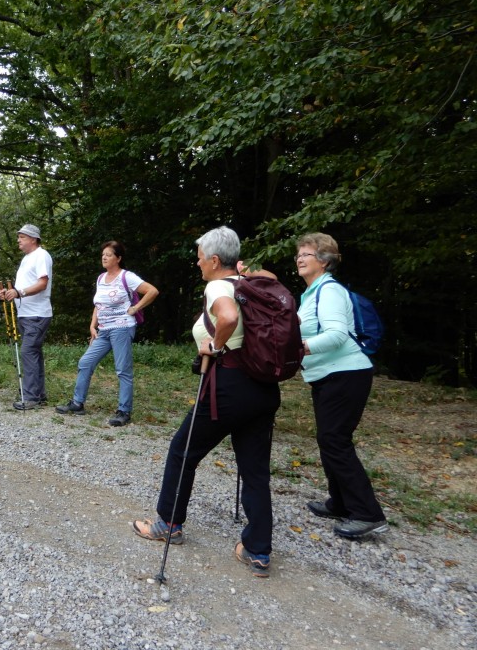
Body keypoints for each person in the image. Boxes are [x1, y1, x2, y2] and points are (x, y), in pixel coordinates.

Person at [132, 226, 280, 578]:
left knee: (183, 452)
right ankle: (258, 551)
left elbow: (227, 317)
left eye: (200, 256)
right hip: (263, 388)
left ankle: (168, 524)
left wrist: (215, 346)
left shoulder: (218, 286)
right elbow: (272, 277)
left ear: (215, 260)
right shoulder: (252, 285)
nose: (197, 263)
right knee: (255, 470)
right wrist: (245, 270)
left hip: (228, 386)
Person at [296, 232, 388, 539]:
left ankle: (367, 513)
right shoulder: (312, 292)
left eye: (306, 254)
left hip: (346, 374)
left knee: (335, 440)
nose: (299, 258)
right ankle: (341, 502)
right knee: (329, 439)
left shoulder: (330, 291)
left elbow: (337, 335)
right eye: (298, 254)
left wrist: (299, 349)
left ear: (324, 261)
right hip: (328, 376)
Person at [55, 241, 159, 426]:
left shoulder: (127, 276)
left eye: (109, 255)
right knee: (85, 362)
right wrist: (92, 326)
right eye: (103, 254)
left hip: (122, 328)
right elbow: (98, 304)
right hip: (103, 331)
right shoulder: (101, 278)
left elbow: (152, 291)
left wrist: (135, 308)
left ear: (118, 258)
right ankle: (77, 403)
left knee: (122, 370)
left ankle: (124, 411)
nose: (104, 257)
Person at [0, 224, 52, 411]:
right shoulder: (28, 258)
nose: (18, 240)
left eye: (22, 237)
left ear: (33, 239)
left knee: (28, 352)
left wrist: (19, 293)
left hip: (37, 313)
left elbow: (43, 283)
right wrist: (9, 293)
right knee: (34, 353)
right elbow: (24, 287)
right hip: (27, 314)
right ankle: (39, 394)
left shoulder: (41, 255)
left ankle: (30, 397)